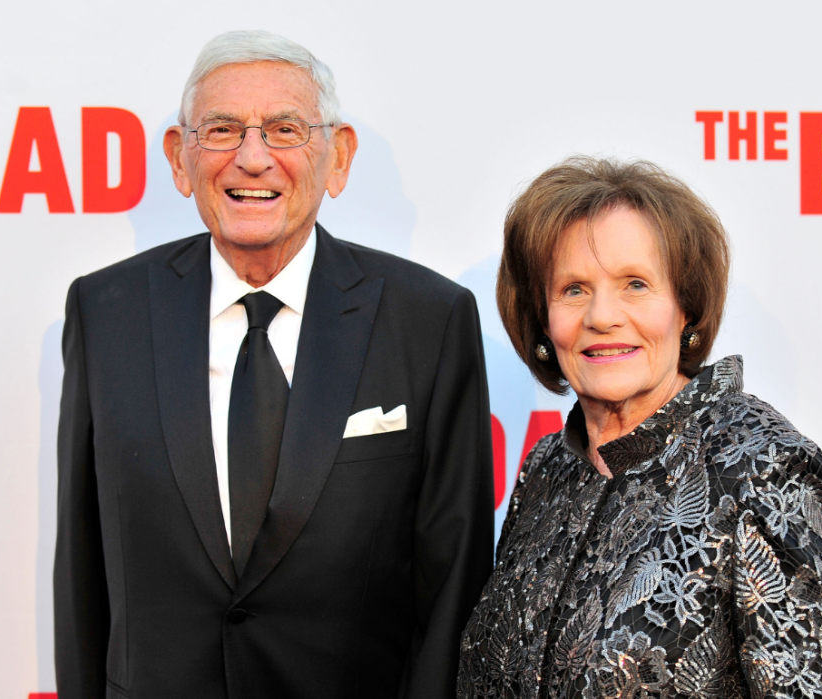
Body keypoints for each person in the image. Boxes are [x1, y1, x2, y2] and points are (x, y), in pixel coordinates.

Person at [54, 30, 494, 699]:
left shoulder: (429, 319)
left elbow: (453, 584)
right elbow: (82, 572)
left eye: (285, 129)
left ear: (338, 157)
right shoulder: (104, 312)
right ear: (180, 159)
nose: (252, 158)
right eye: (223, 129)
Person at [458, 157, 822, 699]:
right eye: (573, 290)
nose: (602, 316)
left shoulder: (757, 466)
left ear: (686, 307)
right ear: (542, 319)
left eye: (635, 284)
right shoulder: (547, 469)